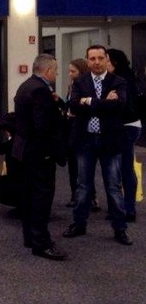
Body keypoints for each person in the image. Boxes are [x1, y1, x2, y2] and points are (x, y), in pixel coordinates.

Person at [62, 44, 133, 245]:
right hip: (85, 141)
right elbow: (73, 106)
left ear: (106, 59)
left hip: (110, 141)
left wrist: (89, 101)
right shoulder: (80, 81)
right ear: (88, 60)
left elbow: (120, 105)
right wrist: (103, 102)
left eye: (101, 58)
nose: (97, 62)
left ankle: (120, 229)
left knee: (113, 186)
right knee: (83, 186)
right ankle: (79, 224)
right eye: (92, 59)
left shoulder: (118, 81)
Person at [10, 54, 67, 261]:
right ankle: (41, 243)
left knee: (29, 197)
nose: (56, 74)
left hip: (24, 151)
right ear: (48, 70)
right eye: (56, 70)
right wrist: (52, 150)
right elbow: (42, 126)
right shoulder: (41, 90)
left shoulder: (25, 86)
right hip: (39, 153)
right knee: (42, 198)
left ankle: (31, 237)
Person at [107, 48, 142, 222]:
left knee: (125, 168)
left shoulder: (122, 79)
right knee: (121, 168)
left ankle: (128, 209)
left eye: (106, 60)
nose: (103, 63)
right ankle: (122, 207)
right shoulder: (124, 76)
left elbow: (125, 105)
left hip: (127, 126)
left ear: (114, 62)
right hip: (126, 125)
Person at [64, 58, 92, 208]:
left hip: (82, 128)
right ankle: (75, 194)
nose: (70, 74)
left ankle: (90, 196)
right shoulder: (71, 86)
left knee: (83, 164)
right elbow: (70, 105)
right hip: (71, 126)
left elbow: (89, 106)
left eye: (73, 71)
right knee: (73, 164)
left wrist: (77, 110)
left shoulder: (87, 87)